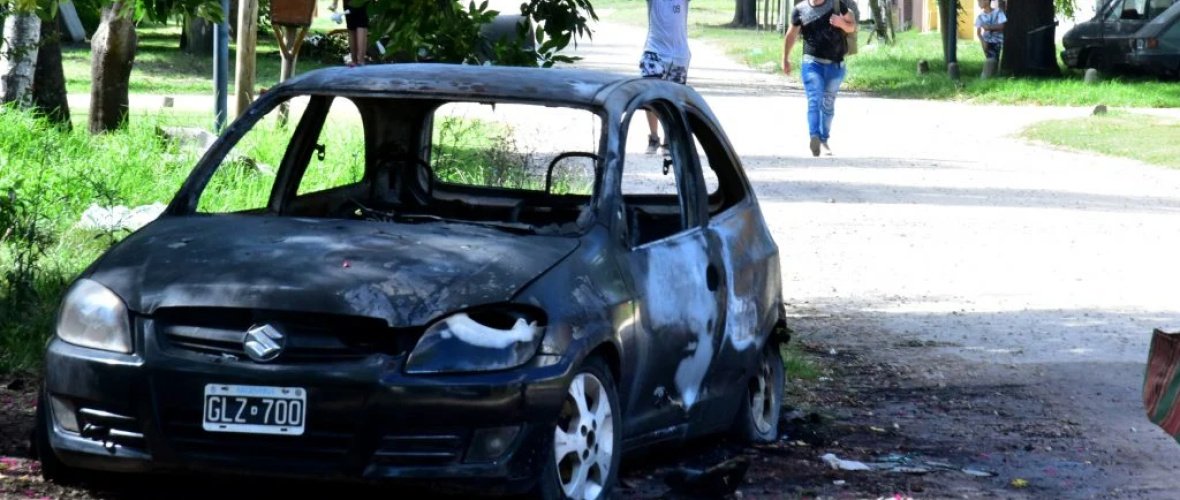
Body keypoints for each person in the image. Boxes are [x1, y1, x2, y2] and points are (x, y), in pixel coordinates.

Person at [782, 0, 856, 157]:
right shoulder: (800, 10)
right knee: (814, 99)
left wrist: (841, 23)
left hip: (836, 65)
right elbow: (792, 34)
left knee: (828, 105)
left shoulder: (837, 5)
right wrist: (785, 58)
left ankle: (824, 140)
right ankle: (814, 136)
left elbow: (851, 26)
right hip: (812, 63)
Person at [640, 0, 691, 155]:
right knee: (650, 94)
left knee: (674, 100)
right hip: (654, 51)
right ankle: (654, 137)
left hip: (679, 55)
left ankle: (669, 139)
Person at [330, 0, 369, 66]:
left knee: (352, 28)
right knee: (362, 26)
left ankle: (354, 61)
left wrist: (335, 3)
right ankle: (360, 60)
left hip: (348, 2)